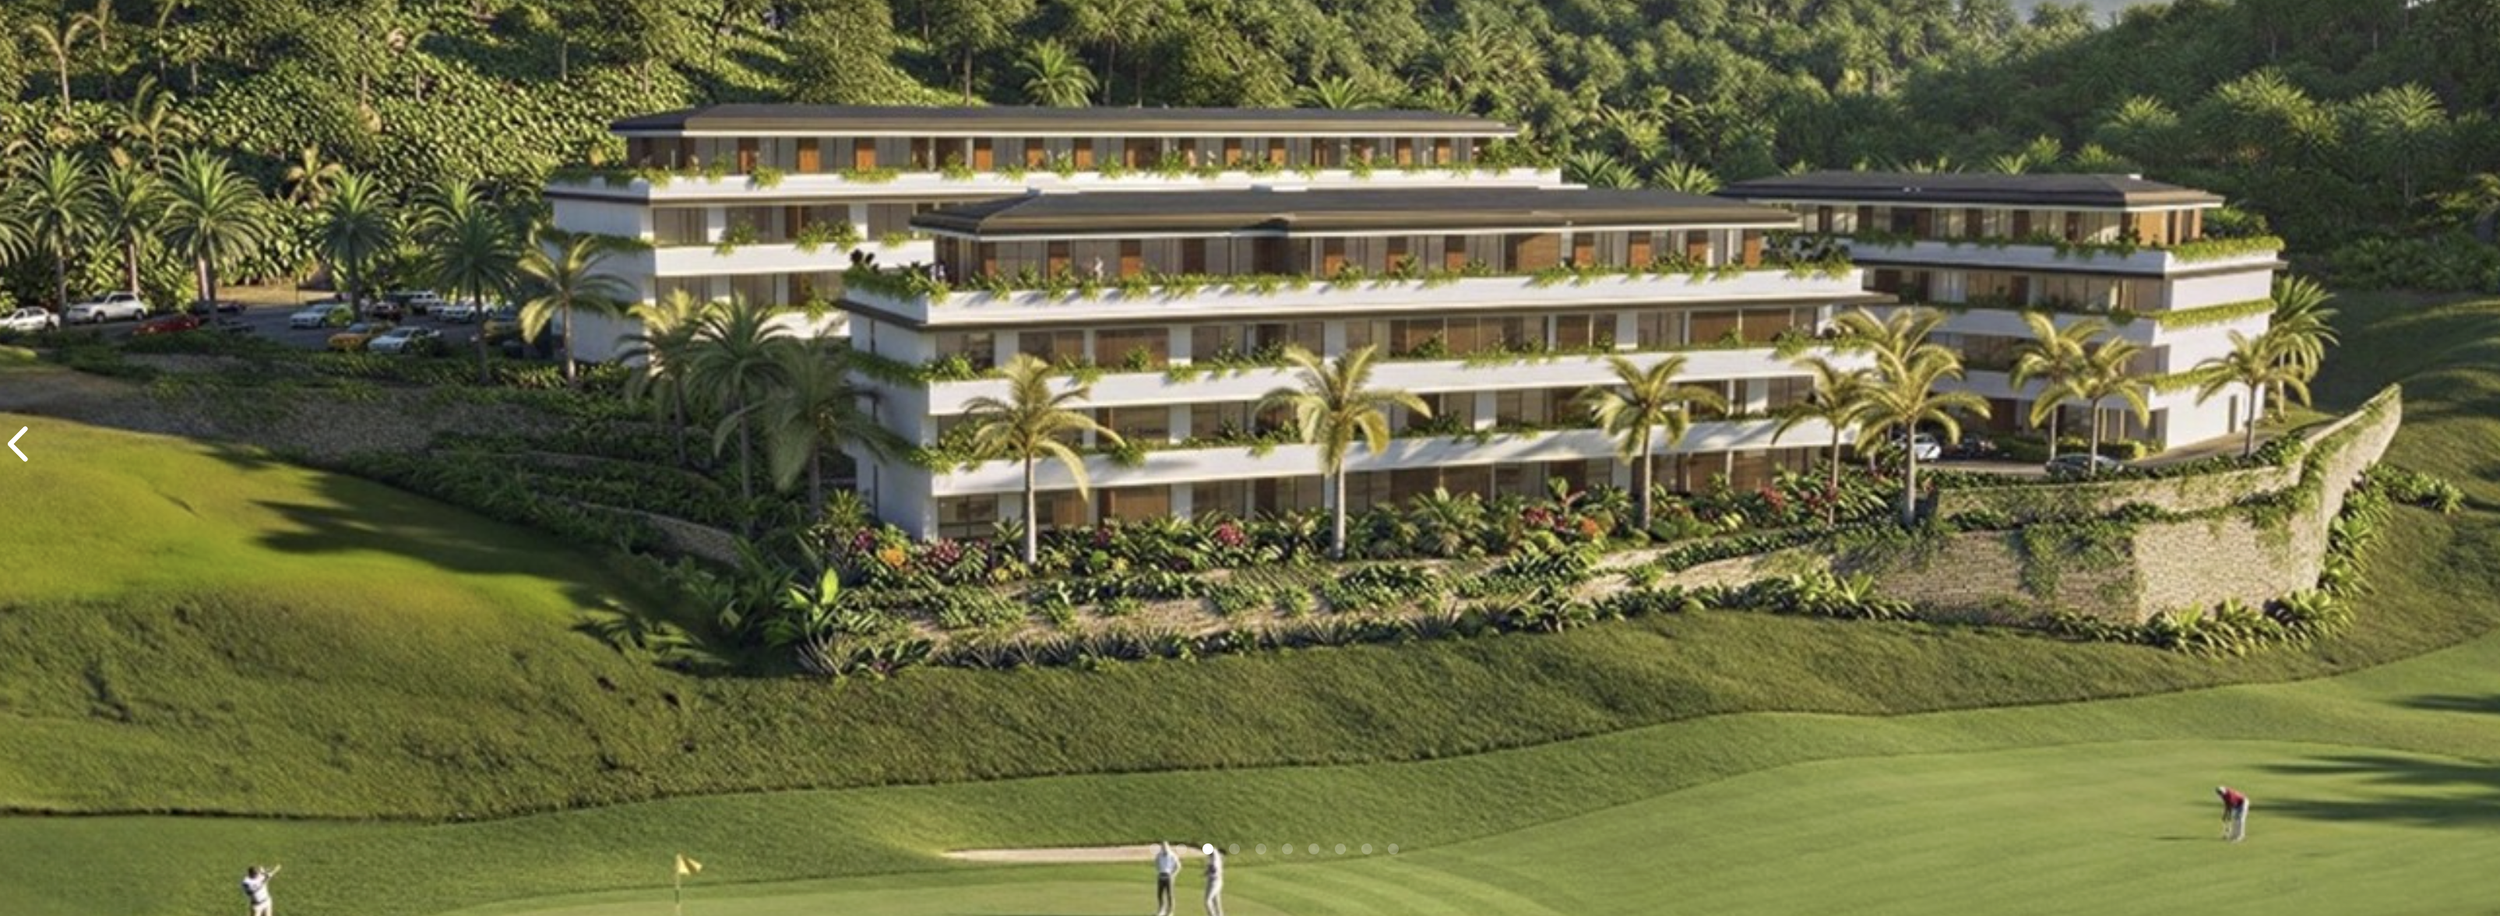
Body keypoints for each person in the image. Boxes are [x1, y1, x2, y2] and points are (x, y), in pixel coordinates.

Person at [1152, 842, 1181, 916]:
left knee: (1170, 895)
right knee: (1160, 894)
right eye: (1163, 847)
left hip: (1169, 876)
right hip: (1161, 875)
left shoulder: (1172, 855)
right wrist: (1158, 870)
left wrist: (1173, 874)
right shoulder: (1159, 855)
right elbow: (1156, 862)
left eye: (1165, 847)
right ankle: (1161, 910)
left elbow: (1178, 866)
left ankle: (1170, 911)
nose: (1164, 849)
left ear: (1168, 847)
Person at [1201, 843, 1224, 916]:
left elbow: (1213, 868)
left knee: (1207, 900)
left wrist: (1208, 871)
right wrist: (1206, 872)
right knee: (1216, 900)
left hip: (1214, 880)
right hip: (1216, 880)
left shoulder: (1215, 857)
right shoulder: (1213, 855)